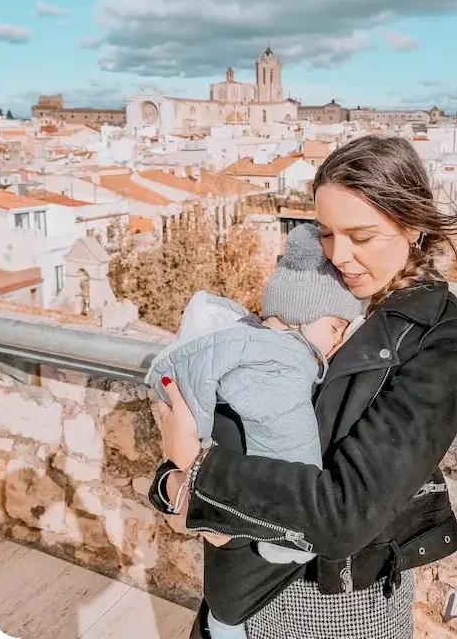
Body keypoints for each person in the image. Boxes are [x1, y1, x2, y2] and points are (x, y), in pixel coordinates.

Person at [150, 134, 457, 639]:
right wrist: (173, 481)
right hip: (238, 593)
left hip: (336, 609)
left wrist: (191, 476)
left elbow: (345, 514)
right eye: (326, 232)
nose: (340, 255)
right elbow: (242, 407)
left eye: (361, 236)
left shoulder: (442, 342)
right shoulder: (318, 290)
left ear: (413, 226)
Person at [146, 223, 365, 639]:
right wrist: (292, 540)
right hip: (251, 583)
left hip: (230, 567)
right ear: (303, 316)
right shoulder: (279, 365)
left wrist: (184, 474)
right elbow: (290, 442)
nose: (337, 344)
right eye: (336, 328)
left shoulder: (239, 343)